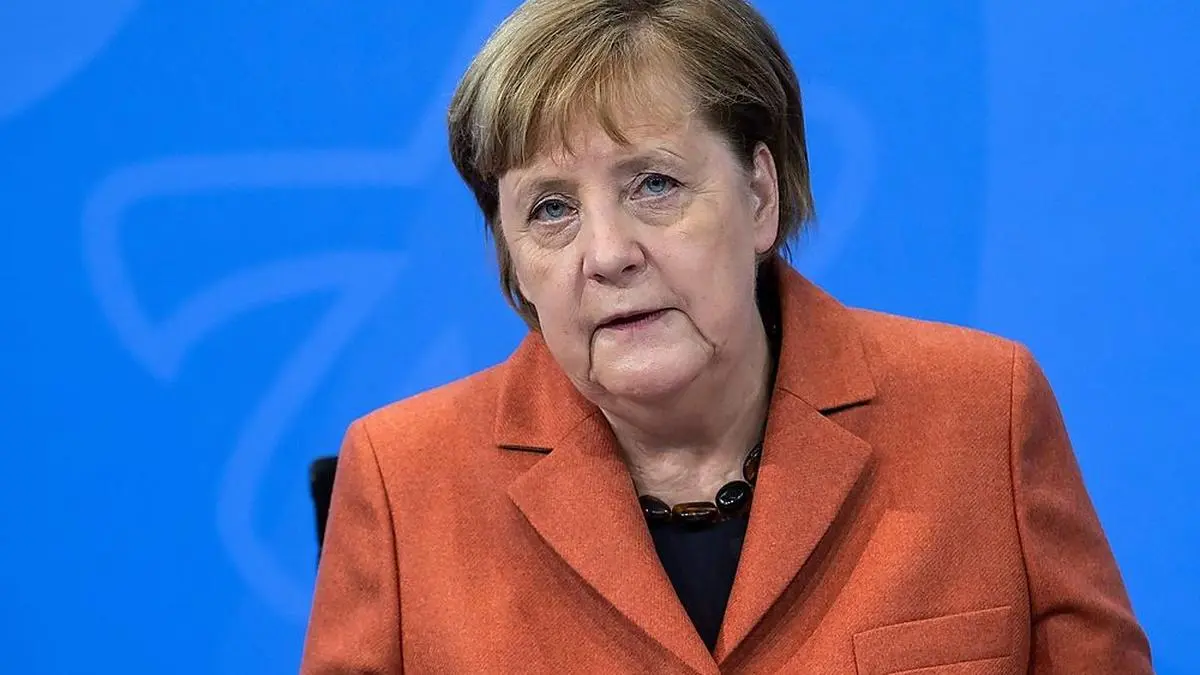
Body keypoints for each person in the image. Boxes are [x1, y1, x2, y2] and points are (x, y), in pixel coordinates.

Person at [300, 0, 1153, 672]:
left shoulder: (980, 414)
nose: (607, 254)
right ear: (514, 262)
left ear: (759, 195)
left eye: (656, 184)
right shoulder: (403, 480)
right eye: (551, 208)